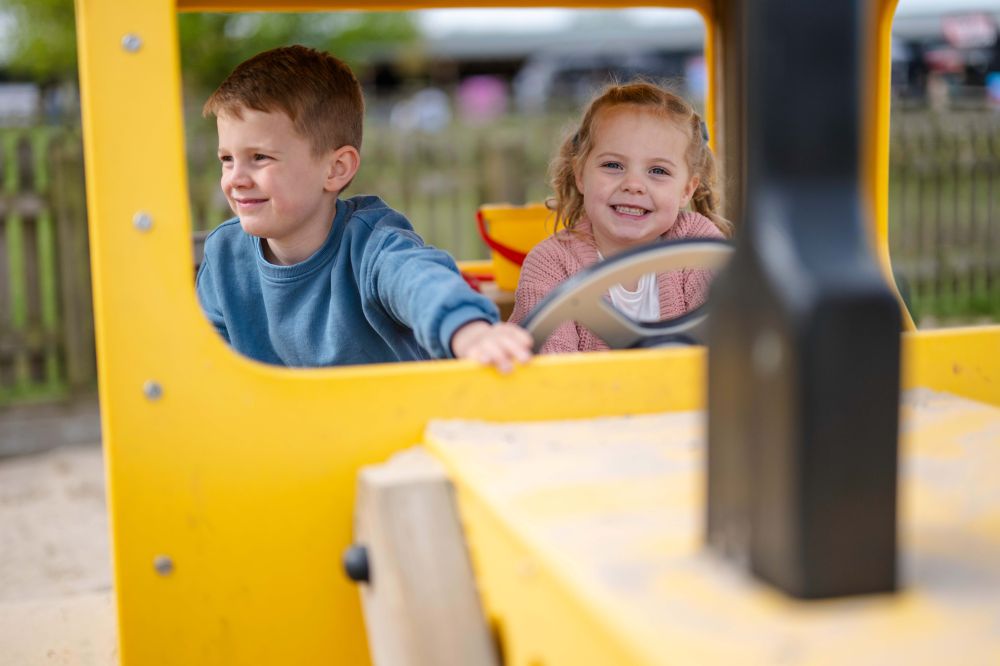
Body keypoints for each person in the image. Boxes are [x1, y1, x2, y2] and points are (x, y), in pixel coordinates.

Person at [196, 46, 531, 372]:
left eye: (260, 157)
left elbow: (418, 280)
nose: (235, 178)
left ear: (336, 169)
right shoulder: (225, 255)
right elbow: (206, 361)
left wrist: (469, 331)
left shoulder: (372, 248)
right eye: (227, 159)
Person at [508, 81, 733, 353]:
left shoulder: (697, 246)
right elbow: (551, 364)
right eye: (613, 165)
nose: (633, 185)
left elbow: (731, 333)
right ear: (580, 175)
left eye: (658, 171)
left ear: (687, 190)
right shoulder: (552, 264)